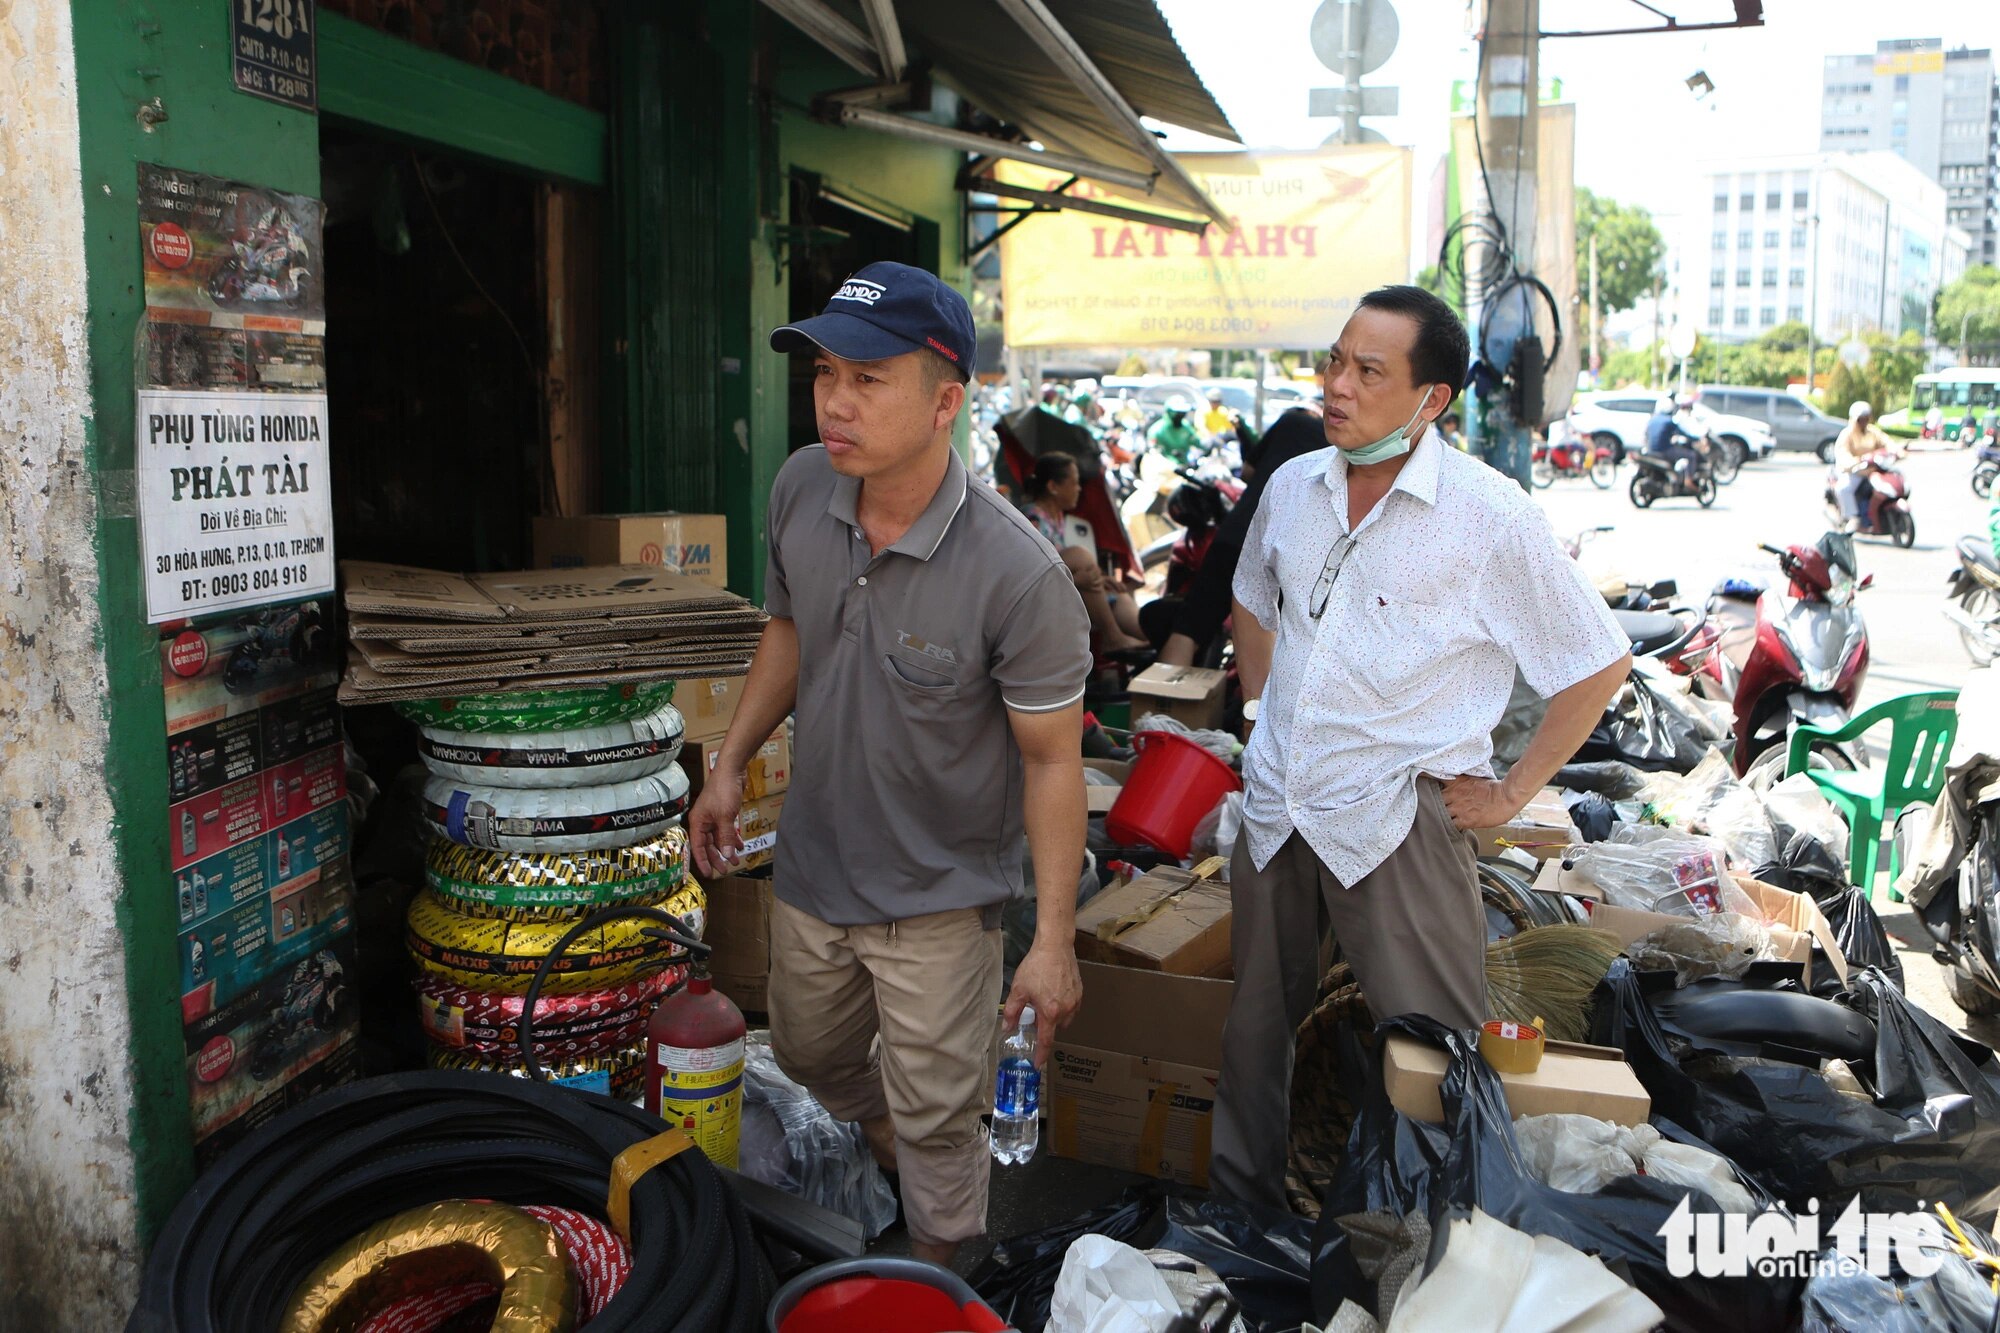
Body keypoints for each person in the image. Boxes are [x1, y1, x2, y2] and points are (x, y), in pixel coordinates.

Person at [689, 261, 1091, 1265]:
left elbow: (1052, 766)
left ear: (945, 402)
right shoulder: (798, 488)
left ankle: (937, 1272)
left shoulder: (1018, 574)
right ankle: (895, 1145)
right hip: (814, 866)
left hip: (940, 893)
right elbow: (786, 628)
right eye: (825, 372)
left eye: (868, 378)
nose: (834, 400)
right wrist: (728, 762)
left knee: (941, 1119)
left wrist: (1050, 941)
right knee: (812, 1051)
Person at [1211, 285, 1633, 1210]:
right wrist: (1257, 710)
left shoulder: (1489, 517)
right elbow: (1250, 594)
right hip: (1282, 803)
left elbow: (1597, 665)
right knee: (1255, 1026)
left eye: (1369, 370)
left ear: (1430, 399)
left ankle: (1444, 1238)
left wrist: (1513, 792)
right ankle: (1241, 1223)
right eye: (1334, 360)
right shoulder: (1293, 487)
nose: (1338, 386)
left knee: (1435, 1047)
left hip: (1397, 816)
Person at [1154, 404, 1328, 666]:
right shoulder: (1344, 443)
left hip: (1237, 535)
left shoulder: (1292, 421)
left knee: (1188, 631)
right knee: (1276, 644)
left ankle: (1161, 700)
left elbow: (1247, 471)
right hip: (1289, 551)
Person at [1023, 453, 1149, 653]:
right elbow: (1029, 575)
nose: (1079, 489)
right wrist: (1074, 580)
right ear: (1053, 487)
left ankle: (1155, 643)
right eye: (1074, 483)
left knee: (1119, 594)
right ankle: (1113, 638)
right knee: (1080, 556)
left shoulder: (1060, 519)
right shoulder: (1033, 519)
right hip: (1037, 597)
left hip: (1062, 588)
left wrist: (1100, 579)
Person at [1833, 400, 1891, 531]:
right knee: (1844, 488)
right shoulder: (1846, 434)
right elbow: (1843, 454)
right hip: (1854, 471)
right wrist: (1855, 461)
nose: (1864, 422)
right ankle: (1852, 517)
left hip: (1872, 470)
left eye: (1866, 418)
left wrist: (1897, 450)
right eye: (1861, 419)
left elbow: (1886, 442)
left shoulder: (1872, 432)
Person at [1644, 394, 1701, 479]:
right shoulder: (1669, 421)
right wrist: (1696, 439)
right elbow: (1683, 433)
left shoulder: (1653, 419)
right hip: (1664, 451)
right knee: (1691, 455)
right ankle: (1689, 480)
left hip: (1650, 449)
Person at [1148, 396, 1203, 467]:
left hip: (1184, 467)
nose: (1181, 415)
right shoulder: (1157, 430)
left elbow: (1196, 442)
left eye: (1182, 412)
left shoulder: (1185, 427)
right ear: (1169, 412)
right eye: (1178, 413)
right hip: (1164, 469)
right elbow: (1152, 452)